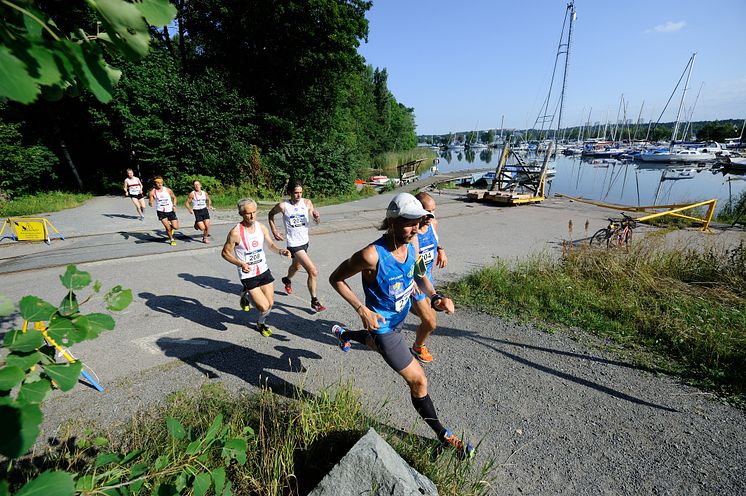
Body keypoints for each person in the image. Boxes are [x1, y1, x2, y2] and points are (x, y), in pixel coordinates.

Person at [328, 192, 474, 459]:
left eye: (418, 222)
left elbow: (418, 274)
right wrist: (362, 309)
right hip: (383, 327)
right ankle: (444, 436)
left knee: (374, 345)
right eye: (409, 222)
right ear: (391, 221)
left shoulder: (413, 242)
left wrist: (435, 297)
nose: (416, 228)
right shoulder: (371, 255)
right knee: (419, 381)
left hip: (398, 322)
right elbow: (335, 278)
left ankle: (344, 334)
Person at [222, 198, 291, 337]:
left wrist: (281, 251)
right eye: (248, 213)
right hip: (248, 274)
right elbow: (225, 253)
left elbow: (271, 245)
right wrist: (240, 263)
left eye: (254, 212)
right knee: (263, 306)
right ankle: (245, 293)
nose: (252, 216)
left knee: (270, 304)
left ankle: (260, 322)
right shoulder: (235, 233)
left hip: (263, 270)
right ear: (241, 214)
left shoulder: (261, 227)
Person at [268, 179, 326, 312]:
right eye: (295, 193)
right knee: (313, 271)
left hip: (304, 241)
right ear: (289, 192)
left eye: (300, 192)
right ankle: (314, 301)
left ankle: (287, 279)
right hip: (293, 244)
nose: (298, 195)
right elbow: (270, 214)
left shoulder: (307, 203)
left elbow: (315, 220)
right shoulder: (283, 206)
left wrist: (316, 217)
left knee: (296, 266)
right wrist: (274, 230)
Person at [409, 192, 448, 363]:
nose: (430, 215)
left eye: (433, 211)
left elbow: (436, 239)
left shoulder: (432, 223)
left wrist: (441, 249)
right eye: (426, 211)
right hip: (415, 282)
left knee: (429, 317)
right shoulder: (411, 231)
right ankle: (418, 347)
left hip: (428, 278)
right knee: (430, 323)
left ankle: (405, 308)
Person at [148, 176, 179, 245]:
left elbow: (174, 198)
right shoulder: (152, 192)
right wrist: (150, 203)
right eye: (158, 183)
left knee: (176, 227)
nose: (160, 184)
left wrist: (174, 205)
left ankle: (172, 228)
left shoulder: (168, 190)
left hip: (170, 210)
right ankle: (171, 239)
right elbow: (150, 201)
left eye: (161, 182)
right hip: (161, 211)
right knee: (167, 227)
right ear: (155, 183)